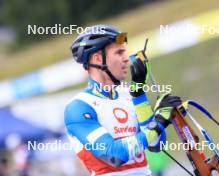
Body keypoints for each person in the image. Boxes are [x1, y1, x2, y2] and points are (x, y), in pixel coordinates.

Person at [64, 24, 182, 176]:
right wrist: (159, 122)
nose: (126, 58)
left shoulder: (128, 96)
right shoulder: (79, 107)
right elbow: (114, 155)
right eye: (119, 53)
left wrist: (139, 96)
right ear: (98, 59)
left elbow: (156, 145)